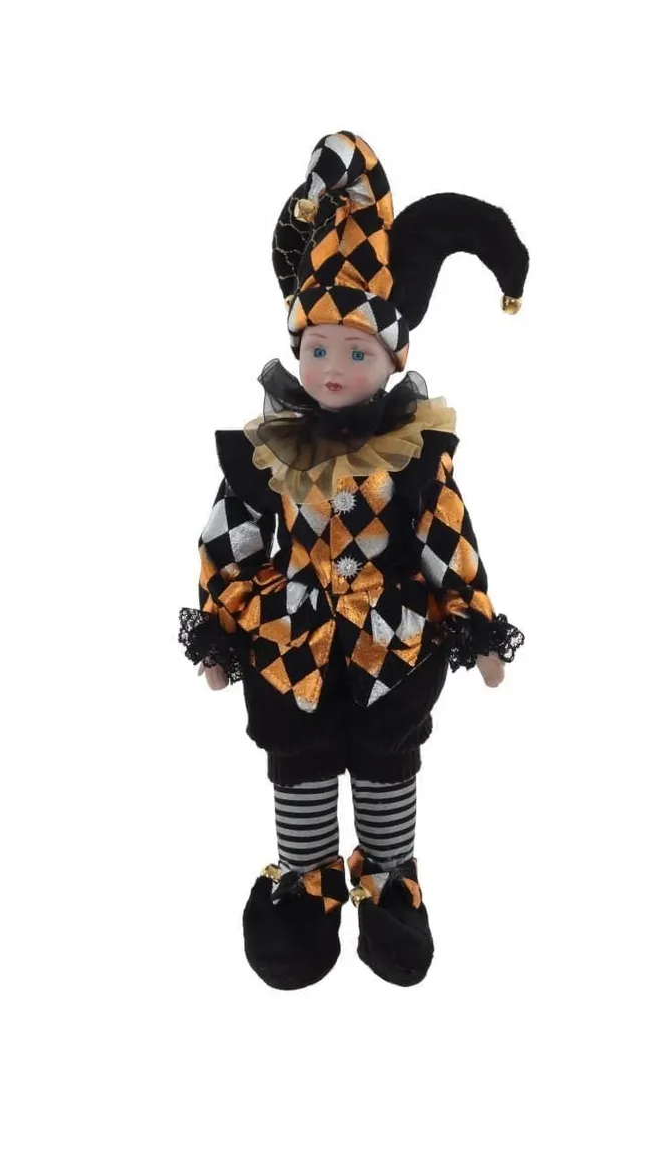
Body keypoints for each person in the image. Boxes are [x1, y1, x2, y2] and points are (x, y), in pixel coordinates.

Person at [178, 131, 529, 989]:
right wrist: (219, 629)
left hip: (390, 640)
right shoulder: (270, 449)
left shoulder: (412, 454)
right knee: (296, 756)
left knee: (387, 758)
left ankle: (390, 881)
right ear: (297, 348)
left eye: (357, 351)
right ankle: (305, 883)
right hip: (290, 637)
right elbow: (231, 535)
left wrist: (477, 624)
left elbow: (448, 536)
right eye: (319, 348)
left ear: (394, 358)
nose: (333, 367)